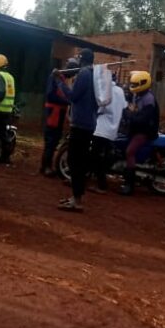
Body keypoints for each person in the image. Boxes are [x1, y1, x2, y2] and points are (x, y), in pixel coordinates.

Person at [56, 48, 97, 212]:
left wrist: (59, 82)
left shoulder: (84, 74)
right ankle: (76, 197)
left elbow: (72, 96)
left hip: (80, 124)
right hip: (88, 122)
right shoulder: (93, 73)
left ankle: (77, 200)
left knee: (75, 162)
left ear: (82, 59)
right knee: (79, 161)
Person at [120, 71, 160, 196]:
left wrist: (128, 113)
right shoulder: (137, 95)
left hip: (144, 131)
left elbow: (141, 118)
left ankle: (129, 185)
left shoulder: (149, 99)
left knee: (129, 152)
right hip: (136, 128)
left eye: (136, 84)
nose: (133, 86)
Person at [90, 74, 127, 193]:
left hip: (100, 129)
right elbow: (124, 106)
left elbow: (99, 109)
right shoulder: (120, 91)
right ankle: (100, 180)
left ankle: (101, 185)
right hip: (113, 130)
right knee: (105, 156)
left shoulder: (105, 92)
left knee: (95, 157)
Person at [40, 57, 75, 176]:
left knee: (54, 141)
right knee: (51, 141)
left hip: (58, 115)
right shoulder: (55, 77)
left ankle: (45, 166)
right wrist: (66, 101)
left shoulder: (62, 79)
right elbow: (50, 95)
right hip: (52, 114)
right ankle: (46, 167)